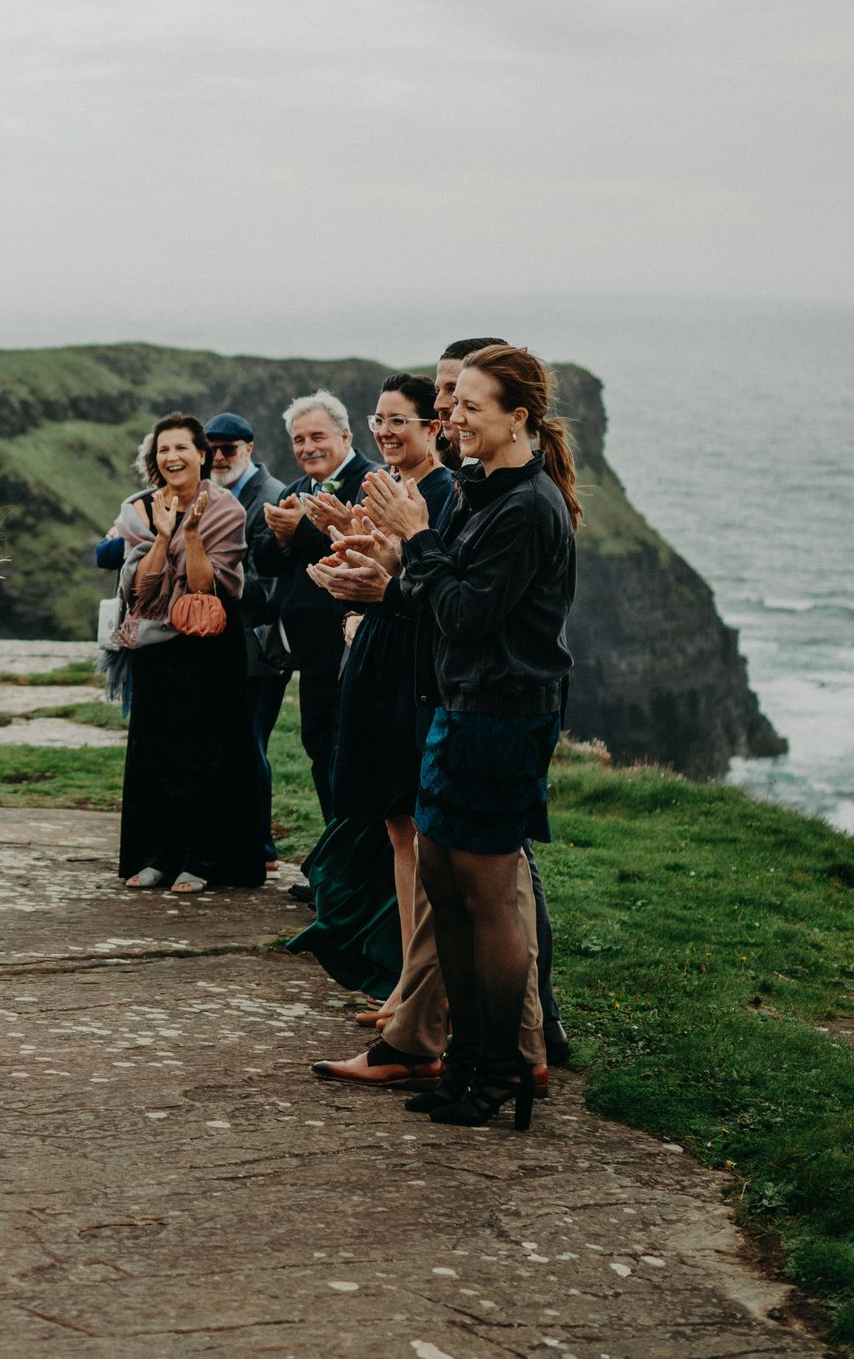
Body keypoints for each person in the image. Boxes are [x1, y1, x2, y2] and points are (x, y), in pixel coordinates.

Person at [356, 344, 582, 1131]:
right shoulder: (482, 491)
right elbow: (433, 592)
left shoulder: (528, 506)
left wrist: (414, 537)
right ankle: (463, 1060)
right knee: (443, 886)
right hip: (463, 706)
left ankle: (503, 1071)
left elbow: (464, 611)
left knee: (488, 900)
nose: (452, 419)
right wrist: (396, 559)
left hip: (506, 716)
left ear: (518, 418)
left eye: (469, 408)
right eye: (452, 408)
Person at [299, 372, 458, 1084]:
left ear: (433, 427)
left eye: (402, 421)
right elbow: (379, 565)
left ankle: (425, 998)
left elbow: (426, 583)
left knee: (421, 832)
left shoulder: (442, 494)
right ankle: (402, 984)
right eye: (380, 420)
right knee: (397, 827)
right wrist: (344, 549)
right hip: (376, 652)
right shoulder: (387, 487)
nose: (387, 433)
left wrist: (377, 575)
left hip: (409, 666)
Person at [111, 413, 262, 895]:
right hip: (156, 644)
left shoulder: (226, 510)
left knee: (208, 752)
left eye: (181, 448)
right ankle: (157, 856)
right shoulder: (139, 508)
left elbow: (207, 588)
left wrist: (191, 534)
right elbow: (141, 589)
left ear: (202, 454)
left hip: (209, 645)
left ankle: (203, 859)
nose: (172, 457)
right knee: (156, 751)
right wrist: (161, 535)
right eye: (163, 450)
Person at [249, 390, 373, 846]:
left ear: (344, 435)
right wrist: (281, 537)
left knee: (349, 756)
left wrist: (298, 531)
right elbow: (265, 560)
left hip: (352, 645)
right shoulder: (296, 491)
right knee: (319, 749)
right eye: (298, 440)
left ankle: (351, 873)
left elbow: (357, 553)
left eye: (317, 436)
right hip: (311, 652)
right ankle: (331, 864)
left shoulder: (369, 481)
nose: (307, 448)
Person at [204, 410, 294, 856]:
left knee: (251, 741)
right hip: (223, 641)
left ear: (250, 450)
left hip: (257, 645)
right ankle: (233, 837)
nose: (219, 457)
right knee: (230, 742)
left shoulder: (270, 498)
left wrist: (204, 576)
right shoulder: (211, 494)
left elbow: (268, 588)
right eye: (212, 449)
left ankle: (260, 846)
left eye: (229, 449)